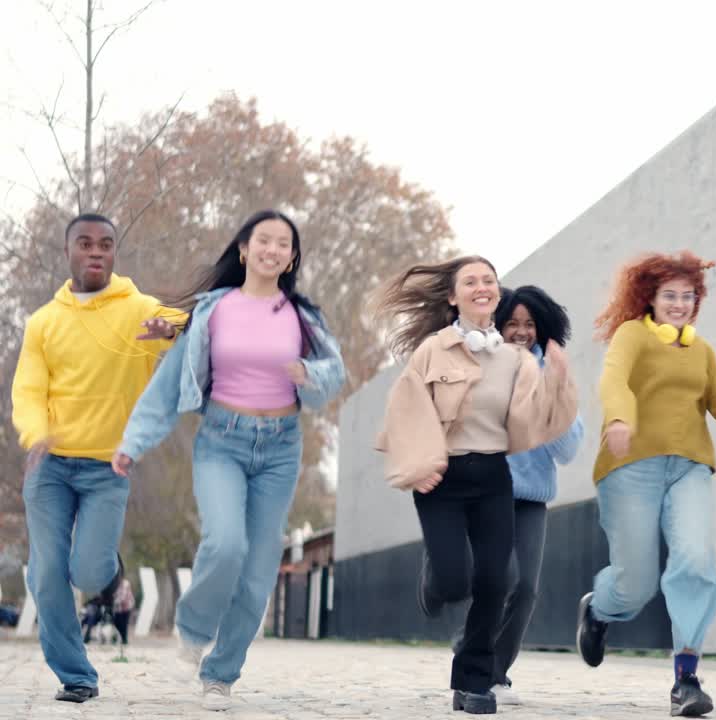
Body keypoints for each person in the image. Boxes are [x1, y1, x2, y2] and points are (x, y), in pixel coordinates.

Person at [114, 209, 346, 711]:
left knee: (260, 568)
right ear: (243, 249)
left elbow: (335, 372)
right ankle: (194, 631)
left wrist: (309, 373)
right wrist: (133, 443)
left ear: (292, 257)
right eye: (264, 240)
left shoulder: (303, 316)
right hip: (222, 440)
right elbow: (169, 382)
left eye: (283, 244)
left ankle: (221, 674)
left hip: (281, 447)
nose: (272, 249)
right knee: (224, 544)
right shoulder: (212, 310)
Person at [375, 256, 578, 715]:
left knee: (498, 579)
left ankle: (473, 682)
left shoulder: (515, 360)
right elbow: (405, 412)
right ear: (453, 296)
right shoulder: (433, 350)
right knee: (454, 579)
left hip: (492, 478)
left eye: (489, 280)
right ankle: (435, 582)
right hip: (440, 476)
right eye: (471, 281)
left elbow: (534, 422)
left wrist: (557, 383)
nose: (482, 286)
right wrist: (418, 466)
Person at [574, 250, 716, 718]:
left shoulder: (701, 351)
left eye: (688, 296)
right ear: (651, 298)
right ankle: (599, 609)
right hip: (630, 465)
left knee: (696, 561)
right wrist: (620, 418)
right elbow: (613, 379)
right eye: (670, 296)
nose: (680, 304)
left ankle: (687, 677)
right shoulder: (632, 334)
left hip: (689, 467)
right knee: (635, 584)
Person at [13, 212, 182, 703]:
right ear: (68, 252)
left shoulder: (138, 309)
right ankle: (76, 675)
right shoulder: (44, 322)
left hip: (107, 469)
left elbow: (187, 324)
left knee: (87, 571)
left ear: (114, 253)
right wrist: (36, 433)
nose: (95, 252)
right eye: (85, 244)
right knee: (46, 572)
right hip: (49, 467)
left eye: (105, 245)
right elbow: (27, 390)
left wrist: (172, 330)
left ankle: (110, 578)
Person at [486, 285, 584, 705]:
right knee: (494, 581)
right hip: (485, 492)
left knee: (524, 587)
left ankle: (493, 670)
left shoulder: (553, 373)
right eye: (513, 324)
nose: (521, 332)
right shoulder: (484, 366)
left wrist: (553, 389)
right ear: (499, 327)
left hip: (530, 499)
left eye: (529, 324)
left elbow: (567, 451)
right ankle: (478, 662)